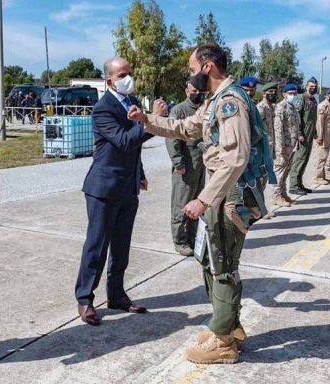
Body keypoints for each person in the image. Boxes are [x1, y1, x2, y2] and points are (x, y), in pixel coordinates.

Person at [128, 43, 275, 365]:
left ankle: (223, 342)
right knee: (210, 259)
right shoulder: (215, 101)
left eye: (193, 69)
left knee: (221, 264)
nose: (191, 76)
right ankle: (228, 326)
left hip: (229, 196)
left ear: (207, 66)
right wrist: (147, 120)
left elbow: (236, 159)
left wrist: (203, 198)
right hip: (220, 191)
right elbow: (185, 128)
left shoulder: (230, 102)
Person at [75, 57, 154, 327]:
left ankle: (116, 294)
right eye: (123, 74)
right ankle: (85, 298)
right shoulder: (103, 109)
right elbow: (123, 140)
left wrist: (139, 173)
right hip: (103, 189)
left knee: (121, 247)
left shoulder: (133, 103)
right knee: (97, 247)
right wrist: (151, 123)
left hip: (127, 187)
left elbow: (135, 148)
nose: (128, 78)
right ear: (109, 80)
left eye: (130, 73)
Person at [166, 81, 206, 256]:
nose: (198, 93)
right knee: (181, 203)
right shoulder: (179, 110)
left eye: (200, 90)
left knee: (197, 202)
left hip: (202, 163)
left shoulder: (204, 109)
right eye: (194, 90)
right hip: (186, 164)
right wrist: (178, 162)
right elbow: (172, 137)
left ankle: (192, 238)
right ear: (187, 91)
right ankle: (180, 240)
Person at [289, 77, 318, 196]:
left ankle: (300, 184)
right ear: (306, 87)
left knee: (305, 160)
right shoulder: (301, 98)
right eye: (311, 86)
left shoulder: (313, 100)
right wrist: (300, 134)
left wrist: (315, 131)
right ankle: (293, 185)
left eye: (315, 87)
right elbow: (297, 118)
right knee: (299, 159)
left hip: (310, 134)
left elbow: (312, 118)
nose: (313, 88)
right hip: (303, 136)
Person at [272, 84, 301, 206]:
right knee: (280, 170)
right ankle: (276, 195)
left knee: (286, 170)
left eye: (294, 93)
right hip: (284, 145)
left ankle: (283, 194)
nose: (293, 96)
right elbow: (278, 128)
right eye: (290, 93)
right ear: (284, 94)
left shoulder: (292, 107)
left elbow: (295, 126)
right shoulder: (281, 107)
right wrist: (280, 146)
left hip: (292, 144)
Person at [257, 81, 281, 215]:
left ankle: (260, 207)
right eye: (270, 92)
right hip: (262, 149)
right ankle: (259, 209)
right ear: (264, 93)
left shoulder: (272, 108)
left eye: (274, 92)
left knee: (265, 177)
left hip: (270, 148)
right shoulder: (261, 108)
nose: (273, 94)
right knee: (260, 179)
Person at [314, 87, 330, 185]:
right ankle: (318, 177)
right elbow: (320, 123)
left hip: (329, 135)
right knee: (321, 157)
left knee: (325, 156)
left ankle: (322, 175)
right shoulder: (323, 106)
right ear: (326, 95)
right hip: (323, 135)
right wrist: (319, 137)